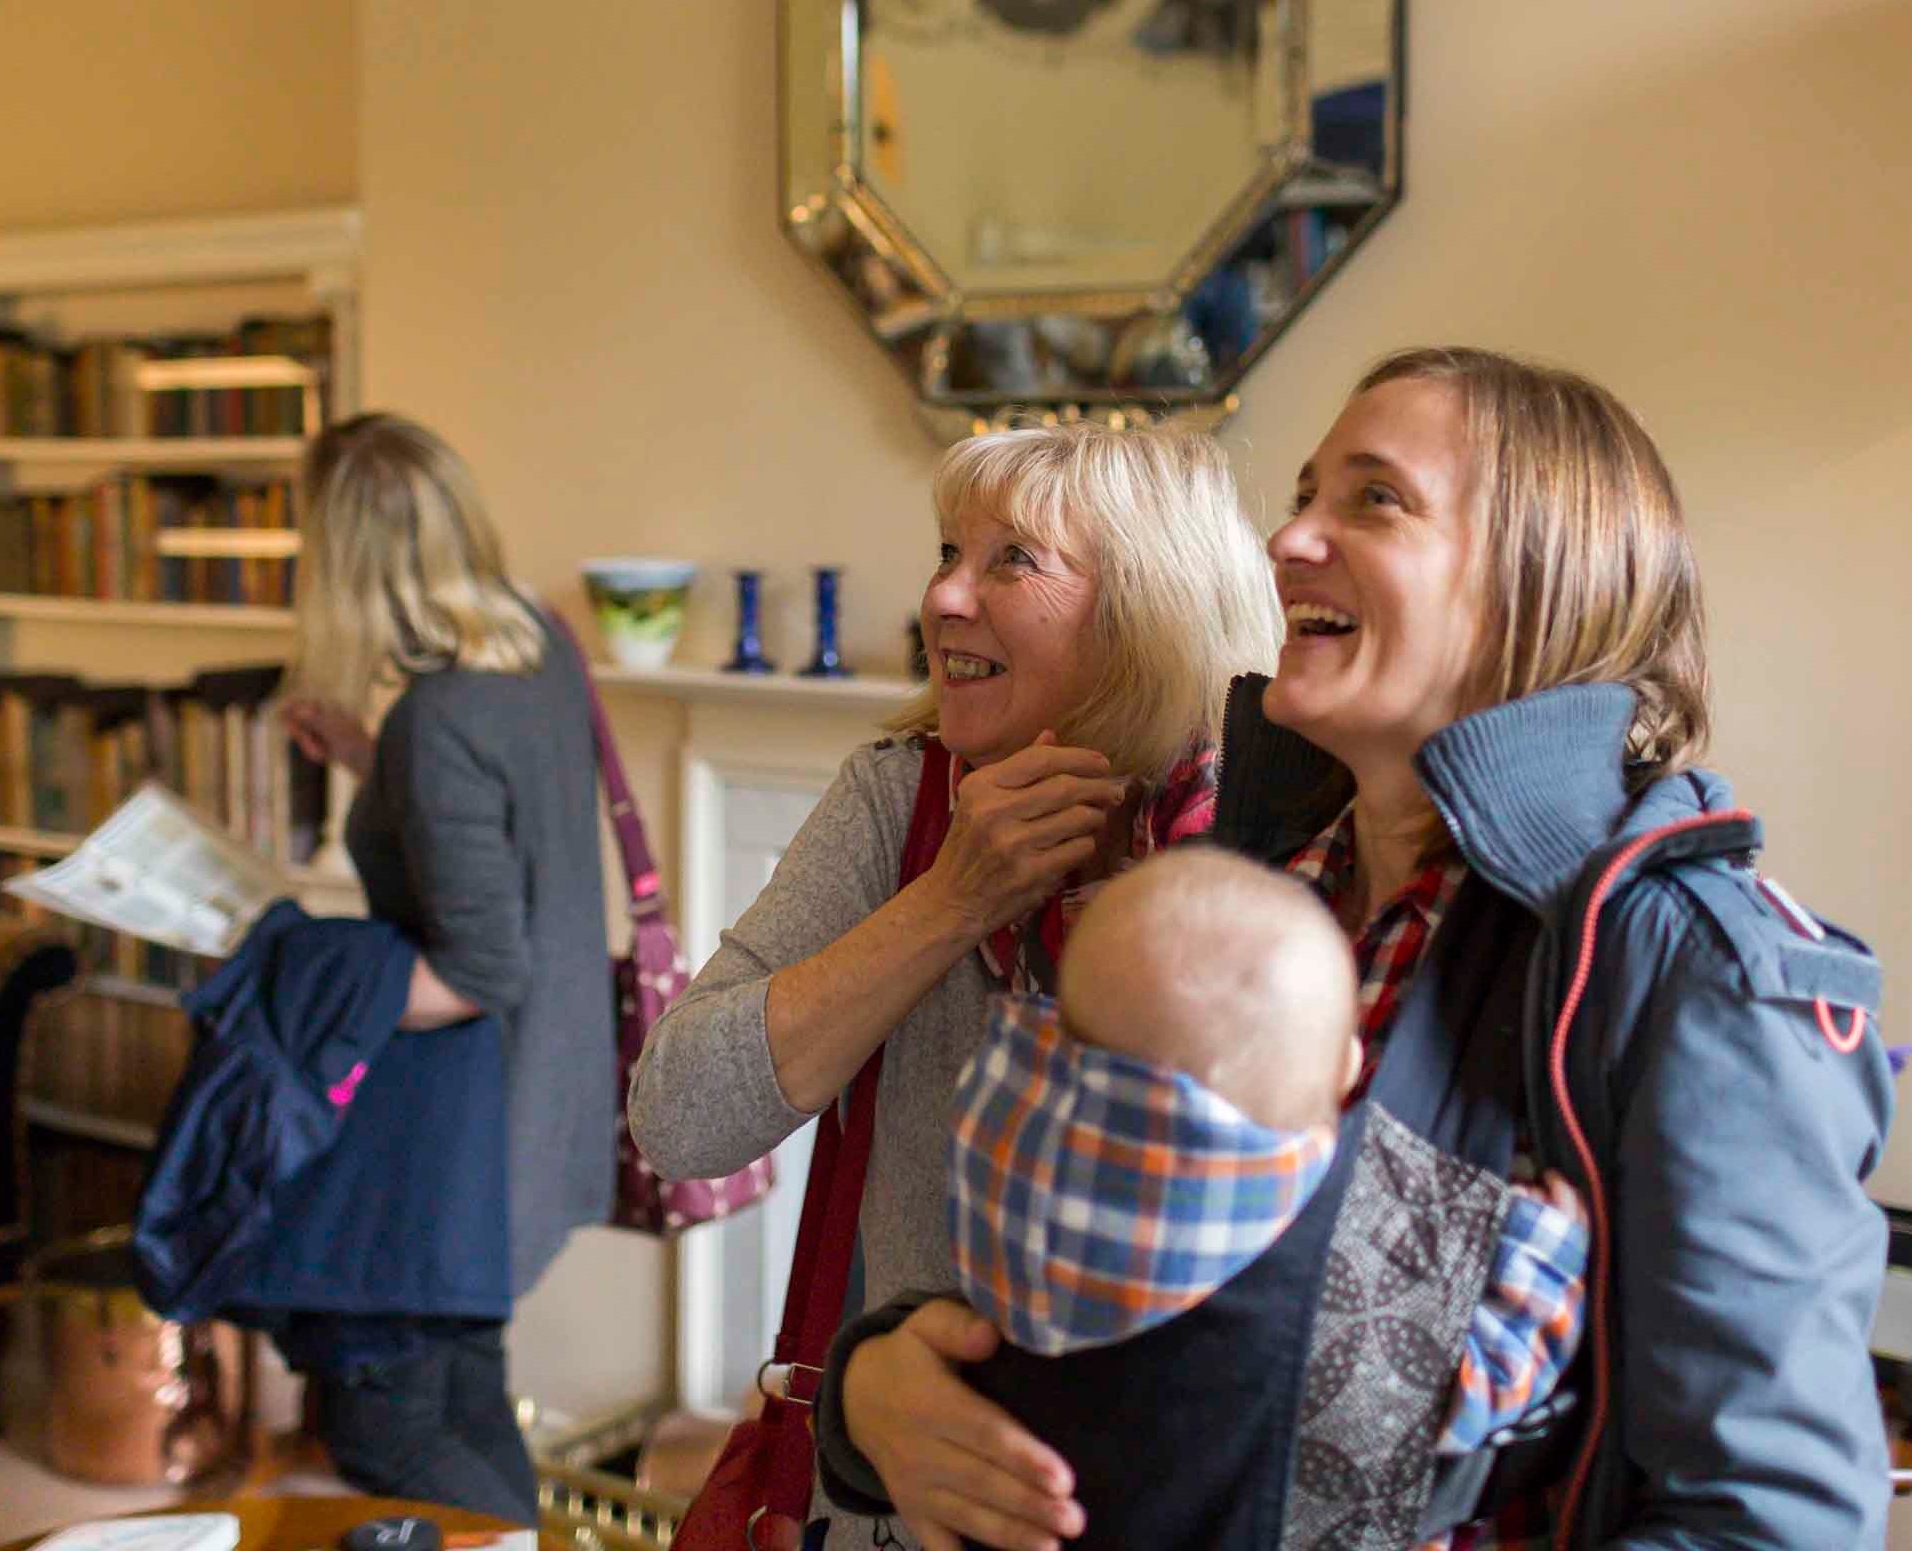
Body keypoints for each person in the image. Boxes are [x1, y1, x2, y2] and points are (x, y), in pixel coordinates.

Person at [827, 348, 1896, 1549]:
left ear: (1540, 582)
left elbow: (1768, 1524)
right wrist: (875, 1392)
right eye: (1301, 498)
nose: (1286, 543)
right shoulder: (1237, 906)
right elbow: (1110, 1290)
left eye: (1373, 499)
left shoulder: (1697, 974)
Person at [628, 422, 1283, 1549]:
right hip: (896, 1504)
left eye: (1009, 560)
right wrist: (947, 902)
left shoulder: (1274, 840)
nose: (941, 597)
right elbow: (678, 1118)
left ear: (1149, 606)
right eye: (945, 552)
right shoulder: (900, 800)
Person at [816, 847, 1587, 1549]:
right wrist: (1542, 1246)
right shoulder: (1345, 1323)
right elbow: (1483, 1377)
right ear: (1348, 1071)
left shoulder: (1010, 1221)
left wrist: (858, 1382)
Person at [272, 412, 614, 1522]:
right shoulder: (535, 640)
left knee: (389, 1431)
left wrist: (299, 996)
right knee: (467, 1401)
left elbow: (479, 967)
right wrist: (370, 762)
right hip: (543, 1098)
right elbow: (491, 840)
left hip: (464, 1136)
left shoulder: (438, 720)